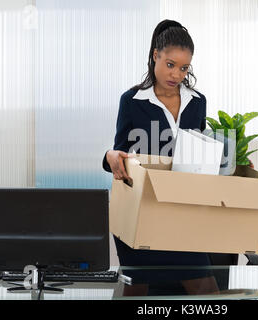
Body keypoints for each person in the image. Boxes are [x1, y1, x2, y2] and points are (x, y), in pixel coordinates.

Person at [102, 19, 212, 267]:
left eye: (184, 68)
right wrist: (110, 155)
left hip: (185, 212)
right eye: (170, 64)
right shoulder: (132, 100)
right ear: (155, 56)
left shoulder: (197, 101)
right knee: (137, 288)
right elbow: (119, 153)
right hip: (143, 211)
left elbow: (199, 157)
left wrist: (228, 162)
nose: (176, 74)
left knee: (203, 288)